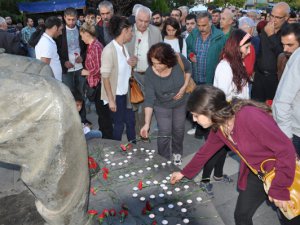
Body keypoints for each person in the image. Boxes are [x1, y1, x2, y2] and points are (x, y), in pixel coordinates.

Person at [171, 85, 300, 225]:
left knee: (291, 217)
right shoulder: (219, 126)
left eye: (196, 115)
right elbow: (205, 152)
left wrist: (279, 188)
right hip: (258, 174)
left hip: (283, 170)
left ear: (209, 111)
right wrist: (183, 173)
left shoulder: (248, 115)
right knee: (241, 215)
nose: (194, 120)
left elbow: (285, 149)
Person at [199, 29, 251, 196]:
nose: (248, 51)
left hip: (235, 115)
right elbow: (221, 97)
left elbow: (243, 91)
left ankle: (219, 175)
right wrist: (227, 119)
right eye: (246, 48)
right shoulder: (224, 67)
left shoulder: (238, 63)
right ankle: (204, 180)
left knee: (224, 149)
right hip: (223, 116)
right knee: (213, 149)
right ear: (237, 47)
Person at [140, 42, 192, 165]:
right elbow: (149, 99)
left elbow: (189, 68)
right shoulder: (150, 73)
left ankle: (177, 153)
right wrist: (147, 123)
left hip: (180, 103)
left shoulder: (178, 59)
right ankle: (163, 159)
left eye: (159, 63)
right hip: (161, 105)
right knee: (164, 132)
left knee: (178, 130)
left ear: (167, 60)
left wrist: (184, 86)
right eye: (153, 62)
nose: (155, 66)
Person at [186, 11, 226, 139]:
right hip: (196, 77)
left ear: (211, 22)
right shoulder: (193, 35)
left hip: (211, 77)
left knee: (209, 107)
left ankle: (211, 135)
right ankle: (199, 129)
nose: (201, 28)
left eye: (204, 25)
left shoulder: (220, 36)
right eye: (199, 25)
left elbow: (225, 56)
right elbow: (189, 48)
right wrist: (190, 54)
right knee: (198, 105)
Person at [126, 5, 162, 134]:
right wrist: (128, 60)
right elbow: (121, 52)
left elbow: (161, 53)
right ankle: (136, 131)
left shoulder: (155, 32)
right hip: (133, 74)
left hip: (150, 75)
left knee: (147, 105)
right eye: (140, 20)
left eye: (146, 21)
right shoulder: (128, 31)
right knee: (134, 105)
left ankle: (143, 131)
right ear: (135, 18)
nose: (143, 24)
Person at [100, 16, 136, 142]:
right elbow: (105, 78)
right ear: (124, 30)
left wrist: (132, 62)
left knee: (131, 123)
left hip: (126, 93)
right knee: (119, 126)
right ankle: (116, 152)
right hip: (116, 96)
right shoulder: (109, 50)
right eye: (130, 31)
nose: (132, 34)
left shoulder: (123, 47)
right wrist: (111, 100)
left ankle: (134, 149)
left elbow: (124, 69)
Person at [79, 22, 113, 139]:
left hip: (100, 86)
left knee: (104, 115)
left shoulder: (96, 47)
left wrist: (86, 72)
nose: (81, 38)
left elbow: (100, 69)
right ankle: (105, 136)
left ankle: (108, 139)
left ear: (86, 33)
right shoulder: (91, 46)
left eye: (81, 35)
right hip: (96, 85)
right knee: (101, 114)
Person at [252, 2, 290, 102]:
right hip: (259, 78)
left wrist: (272, 36)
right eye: (271, 16)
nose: (273, 20)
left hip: (275, 80)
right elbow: (261, 52)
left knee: (270, 113)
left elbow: (283, 55)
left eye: (277, 17)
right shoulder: (266, 28)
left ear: (286, 17)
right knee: (255, 109)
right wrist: (255, 70)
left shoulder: (289, 32)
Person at [56, 7, 89, 124]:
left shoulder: (82, 30)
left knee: (81, 93)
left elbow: (87, 47)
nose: (71, 22)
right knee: (68, 95)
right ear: (64, 18)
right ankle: (71, 121)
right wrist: (64, 61)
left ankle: (83, 119)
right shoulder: (60, 32)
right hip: (67, 70)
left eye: (73, 20)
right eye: (69, 19)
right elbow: (56, 51)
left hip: (80, 68)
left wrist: (83, 57)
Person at [273, 23, 300, 156]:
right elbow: (282, 101)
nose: (285, 49)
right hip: (294, 132)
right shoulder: (296, 58)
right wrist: (287, 136)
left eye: (290, 45)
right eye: (283, 44)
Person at [35, 16, 63, 81]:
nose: (61, 33)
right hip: (52, 83)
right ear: (55, 28)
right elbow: (44, 67)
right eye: (60, 29)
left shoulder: (46, 40)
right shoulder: (47, 43)